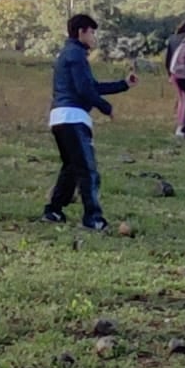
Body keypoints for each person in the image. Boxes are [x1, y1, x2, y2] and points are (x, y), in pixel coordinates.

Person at [46, 13, 139, 230]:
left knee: (71, 168)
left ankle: (53, 210)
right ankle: (93, 218)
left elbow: (91, 86)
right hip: (73, 118)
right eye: (92, 32)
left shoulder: (68, 54)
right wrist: (107, 108)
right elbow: (84, 90)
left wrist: (123, 85)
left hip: (59, 117)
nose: (94, 37)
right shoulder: (76, 55)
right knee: (88, 171)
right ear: (81, 32)